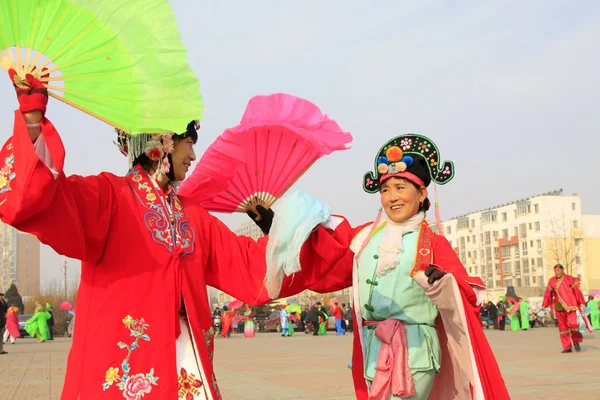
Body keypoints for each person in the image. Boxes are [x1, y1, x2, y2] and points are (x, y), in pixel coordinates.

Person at [0, 69, 274, 399]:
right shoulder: (108, 198)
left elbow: (248, 267)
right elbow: (36, 201)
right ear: (163, 141)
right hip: (123, 374)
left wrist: (274, 230)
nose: (193, 155)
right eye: (189, 143)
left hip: (187, 367)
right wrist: (31, 120)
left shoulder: (193, 216)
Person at [252, 134, 509, 399]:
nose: (391, 197)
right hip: (372, 350)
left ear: (421, 193)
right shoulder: (365, 237)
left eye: (401, 187)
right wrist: (275, 227)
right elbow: (325, 266)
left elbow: (467, 294)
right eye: (386, 189)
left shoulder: (433, 244)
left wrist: (443, 283)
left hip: (415, 351)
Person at [542, 264, 586, 353]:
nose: (557, 272)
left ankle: (576, 340)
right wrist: (544, 304)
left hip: (570, 306)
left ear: (562, 270)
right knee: (563, 328)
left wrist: (581, 302)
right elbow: (548, 294)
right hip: (558, 307)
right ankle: (567, 347)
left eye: (558, 270)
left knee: (573, 324)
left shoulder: (569, 278)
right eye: (555, 271)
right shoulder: (552, 280)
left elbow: (576, 291)